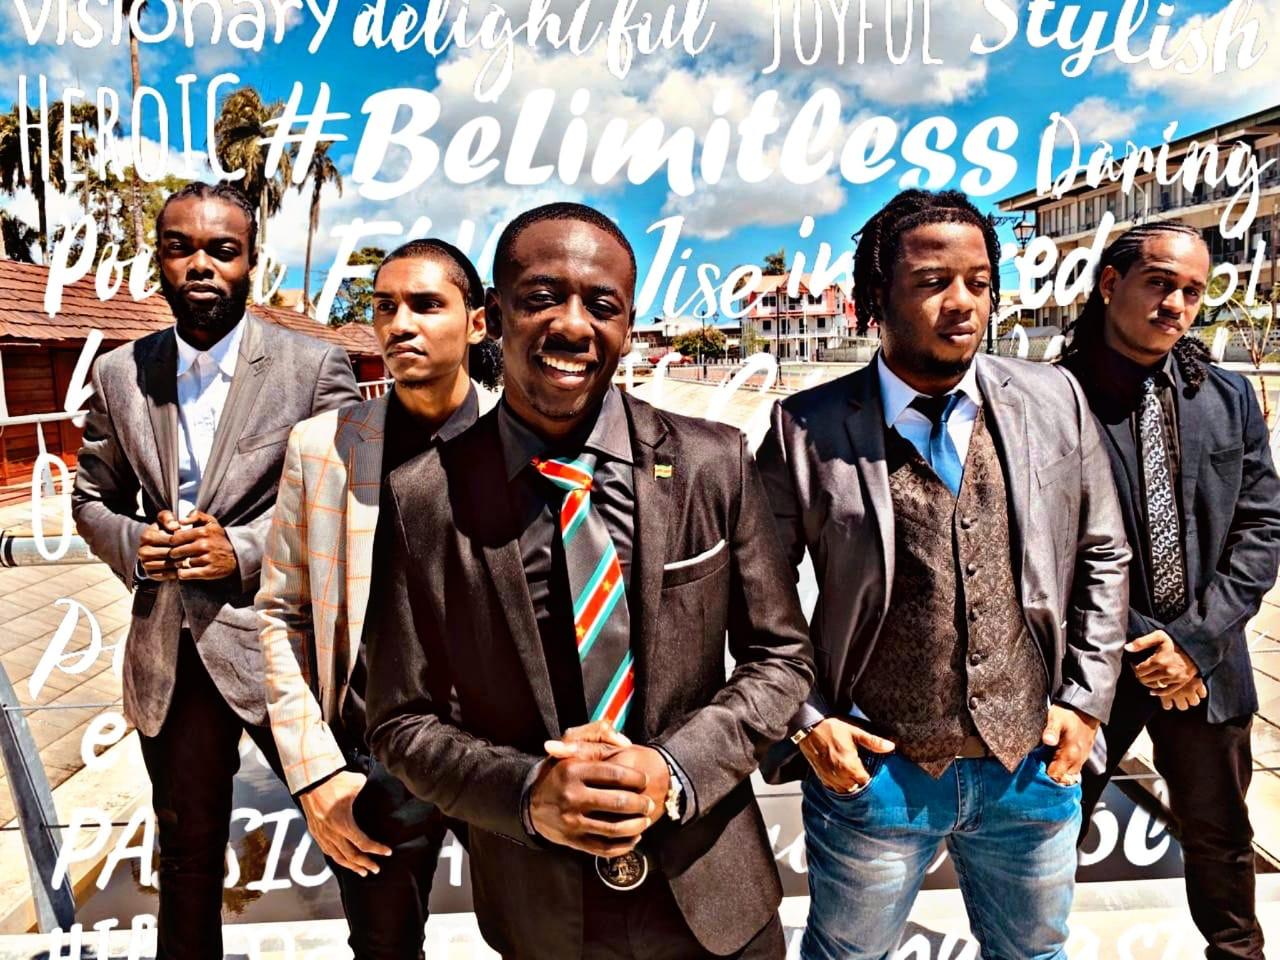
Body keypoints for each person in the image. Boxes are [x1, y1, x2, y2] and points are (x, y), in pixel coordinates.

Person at [362, 202, 814, 959]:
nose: (573, 325)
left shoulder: (713, 463)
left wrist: (673, 769)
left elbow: (781, 659)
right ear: (492, 317)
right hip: (540, 915)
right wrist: (527, 793)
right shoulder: (423, 497)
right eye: (541, 298)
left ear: (628, 327)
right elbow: (399, 721)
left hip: (717, 903)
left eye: (602, 306)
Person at [756, 188, 1130, 960]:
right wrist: (809, 718)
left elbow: (1104, 552)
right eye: (933, 282)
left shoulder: (1053, 398)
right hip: (877, 776)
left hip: (1030, 767)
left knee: (1034, 955)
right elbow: (758, 589)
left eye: (979, 282)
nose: (963, 303)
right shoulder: (805, 429)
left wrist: (1086, 701)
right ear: (875, 299)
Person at [71, 181, 360, 959]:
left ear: (250, 261)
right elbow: (92, 499)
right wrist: (137, 545)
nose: (201, 265)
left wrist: (246, 548)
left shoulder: (313, 367)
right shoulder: (121, 374)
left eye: (222, 250)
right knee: (187, 858)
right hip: (172, 655)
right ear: (159, 259)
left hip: (289, 652)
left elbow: (346, 496)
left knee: (359, 841)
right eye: (181, 248)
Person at [256, 239, 495, 958]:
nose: (400, 324)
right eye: (385, 306)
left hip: (503, 757)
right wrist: (314, 772)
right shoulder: (322, 447)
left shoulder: (522, 441)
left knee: (541, 942)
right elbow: (280, 615)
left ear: (477, 323)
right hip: (373, 760)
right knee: (383, 947)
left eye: (426, 304)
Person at [1062, 221, 1280, 960]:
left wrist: (1192, 642)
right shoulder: (1053, 399)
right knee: (1046, 835)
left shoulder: (1227, 396)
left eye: (1192, 290)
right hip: (1088, 670)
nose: (1176, 304)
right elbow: (1042, 545)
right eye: (1159, 282)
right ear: (1110, 284)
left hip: (1207, 666)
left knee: (1222, 839)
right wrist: (1140, 644)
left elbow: (1262, 526)